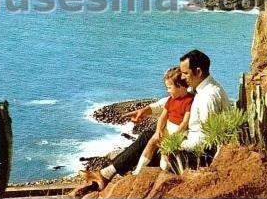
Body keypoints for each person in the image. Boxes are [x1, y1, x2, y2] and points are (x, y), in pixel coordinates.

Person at [81, 49, 229, 190]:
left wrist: (172, 143)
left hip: (196, 156)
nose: (182, 77)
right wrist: (146, 110)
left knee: (150, 139)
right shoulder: (200, 88)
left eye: (185, 73)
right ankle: (107, 174)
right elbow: (173, 100)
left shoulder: (207, 98)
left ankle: (115, 175)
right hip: (188, 142)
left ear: (198, 72)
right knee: (150, 135)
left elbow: (204, 141)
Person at [131, 67, 193, 175]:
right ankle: (138, 170)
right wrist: (158, 130)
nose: (167, 91)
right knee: (152, 142)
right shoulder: (170, 100)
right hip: (167, 129)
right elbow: (163, 117)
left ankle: (164, 172)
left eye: (169, 87)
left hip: (179, 133)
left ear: (180, 86)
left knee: (166, 152)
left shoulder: (189, 101)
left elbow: (185, 123)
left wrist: (175, 136)